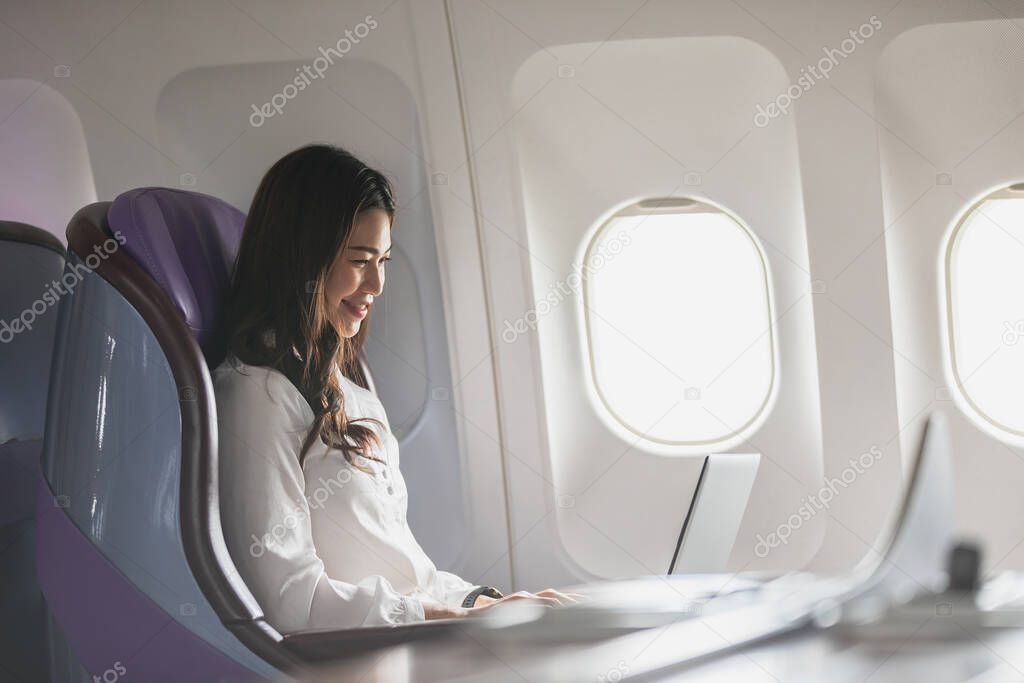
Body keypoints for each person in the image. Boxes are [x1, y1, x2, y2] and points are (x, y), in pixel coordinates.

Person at [214, 143, 577, 633]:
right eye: (360, 259)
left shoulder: (348, 387)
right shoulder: (257, 397)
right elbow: (287, 600)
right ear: (302, 258)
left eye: (382, 260)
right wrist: (448, 619)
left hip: (410, 637)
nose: (377, 284)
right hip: (363, 655)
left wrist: (484, 603)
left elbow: (405, 572)